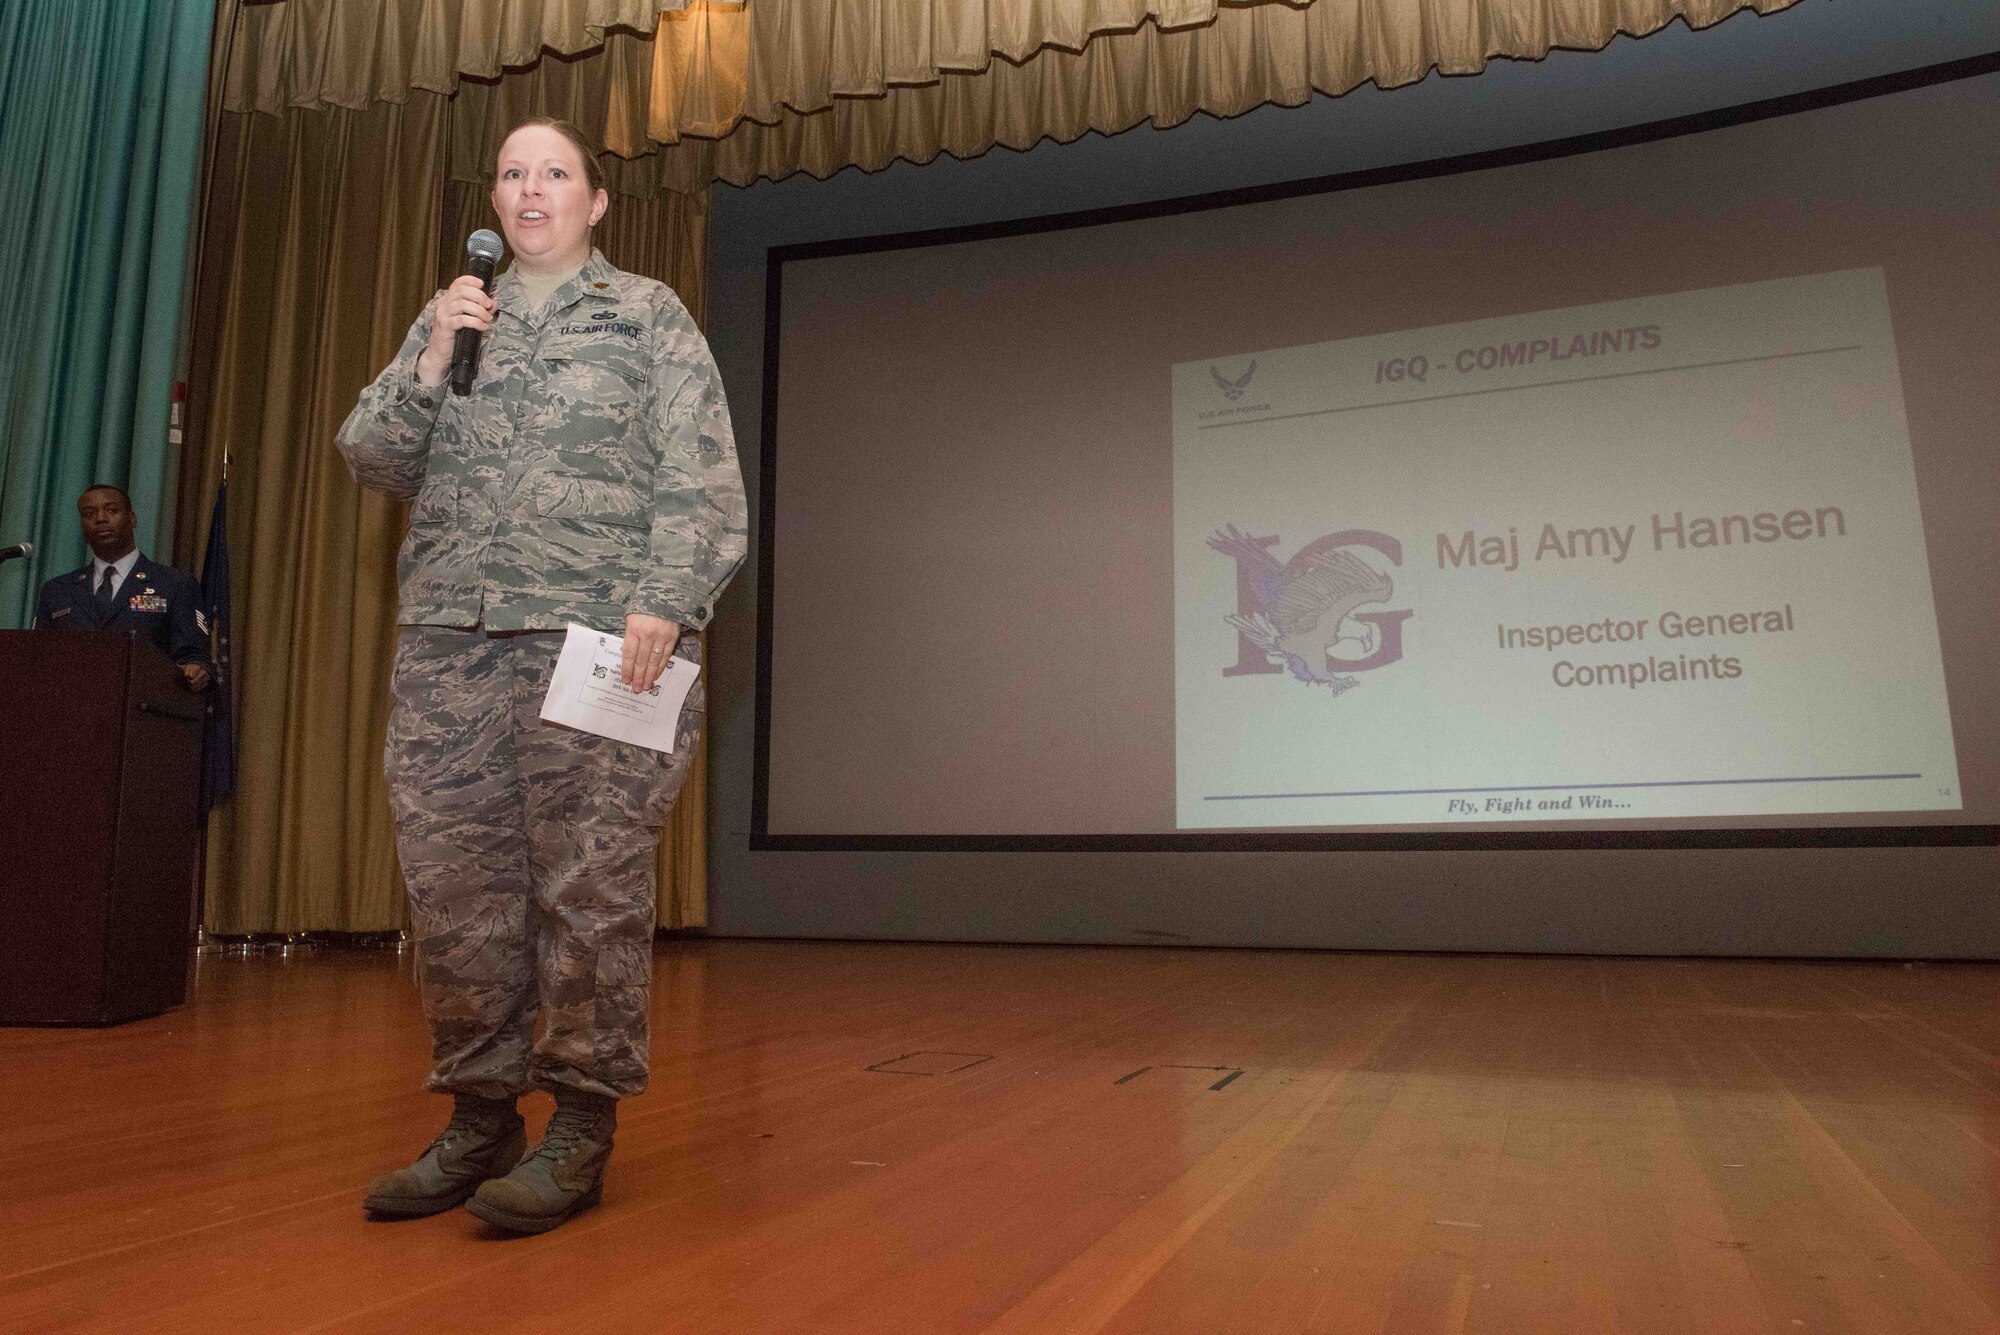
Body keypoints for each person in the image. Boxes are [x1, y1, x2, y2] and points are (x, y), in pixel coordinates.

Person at [335, 117, 746, 1235]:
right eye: (512, 173)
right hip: (449, 645)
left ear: (594, 201)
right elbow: (372, 457)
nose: (529, 191)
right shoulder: (456, 316)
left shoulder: (645, 314)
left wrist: (667, 596)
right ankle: (478, 1114)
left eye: (552, 173)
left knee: (586, 890)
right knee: (456, 894)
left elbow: (702, 474)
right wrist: (428, 357)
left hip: (596, 648)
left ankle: (579, 1124)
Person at [34, 484, 212, 692]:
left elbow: (194, 656)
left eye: (112, 510)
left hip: (143, 711)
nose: (100, 518)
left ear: (132, 518)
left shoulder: (174, 583)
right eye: (89, 513)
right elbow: (38, 659)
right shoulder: (57, 590)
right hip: (71, 711)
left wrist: (197, 670)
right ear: (82, 525)